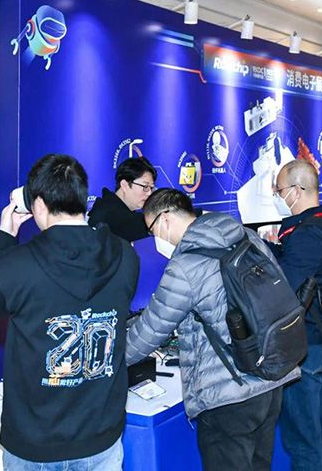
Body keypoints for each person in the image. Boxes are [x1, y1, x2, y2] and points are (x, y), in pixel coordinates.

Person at [0, 154, 139, 470]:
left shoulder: (19, 265)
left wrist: (4, 235)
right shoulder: (125, 256)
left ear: (39, 205)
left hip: (35, 441)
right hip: (100, 436)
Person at [126, 189, 296, 471]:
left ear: (165, 219)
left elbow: (150, 330)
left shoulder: (185, 265)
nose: (153, 237)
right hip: (270, 376)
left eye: (151, 229)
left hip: (228, 394)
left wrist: (109, 360)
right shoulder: (246, 236)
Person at [269, 160, 322, 471]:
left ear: (297, 191)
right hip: (320, 337)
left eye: (279, 190)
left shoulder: (306, 235)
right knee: (320, 426)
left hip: (303, 346)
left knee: (302, 438)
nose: (276, 196)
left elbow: (284, 290)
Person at [88, 156, 156, 242]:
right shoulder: (115, 218)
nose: (149, 193)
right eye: (145, 187)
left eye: (151, 188)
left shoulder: (103, 207)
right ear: (124, 185)